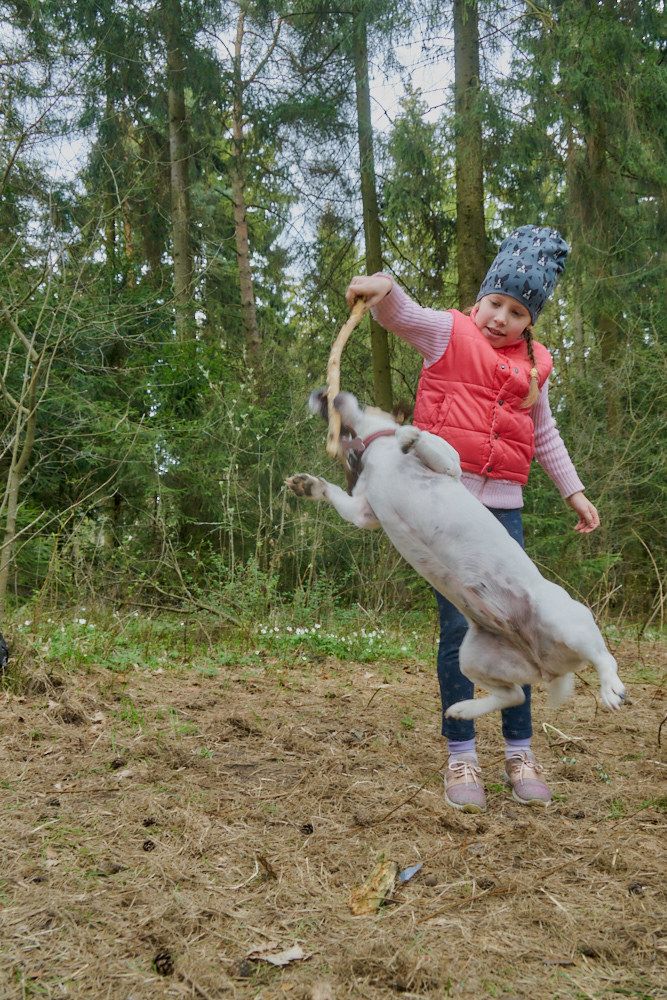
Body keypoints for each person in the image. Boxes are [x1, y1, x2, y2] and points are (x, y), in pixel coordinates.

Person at [345, 225, 599, 813]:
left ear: (529, 319)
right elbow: (402, 314)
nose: (500, 318)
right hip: (445, 512)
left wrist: (575, 493)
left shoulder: (533, 372)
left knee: (523, 626)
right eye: (495, 303)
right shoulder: (449, 334)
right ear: (479, 300)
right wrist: (383, 287)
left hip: (503, 516)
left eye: (516, 310)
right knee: (462, 631)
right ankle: (462, 753)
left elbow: (545, 437)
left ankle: (520, 750)